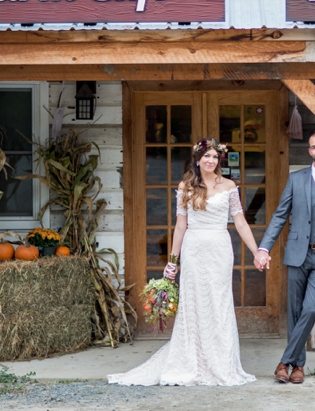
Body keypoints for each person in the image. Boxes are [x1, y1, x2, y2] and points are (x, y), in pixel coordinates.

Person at [108, 138, 259, 387]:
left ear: (219, 159)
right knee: (195, 304)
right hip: (194, 249)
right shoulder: (186, 186)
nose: (210, 161)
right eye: (206, 156)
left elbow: (240, 222)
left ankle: (220, 363)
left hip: (220, 248)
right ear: (197, 160)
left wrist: (256, 251)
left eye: (214, 157)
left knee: (218, 303)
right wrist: (173, 262)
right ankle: (193, 360)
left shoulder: (230, 186)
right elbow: (180, 226)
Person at [254, 131, 315, 384]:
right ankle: (298, 367)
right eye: (313, 147)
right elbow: (279, 215)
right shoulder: (296, 179)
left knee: (310, 309)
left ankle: (283, 362)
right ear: (309, 152)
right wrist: (264, 248)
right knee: (295, 313)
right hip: (298, 253)